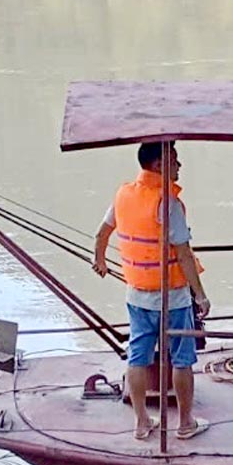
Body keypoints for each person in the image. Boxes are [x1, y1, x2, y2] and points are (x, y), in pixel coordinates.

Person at [93, 142, 211, 441]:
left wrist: (100, 260)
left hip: (137, 295)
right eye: (173, 159)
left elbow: (102, 232)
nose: (179, 165)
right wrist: (201, 295)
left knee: (138, 356)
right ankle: (185, 423)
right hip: (173, 297)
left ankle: (142, 422)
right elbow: (183, 254)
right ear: (158, 165)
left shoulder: (124, 194)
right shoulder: (168, 203)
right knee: (183, 357)